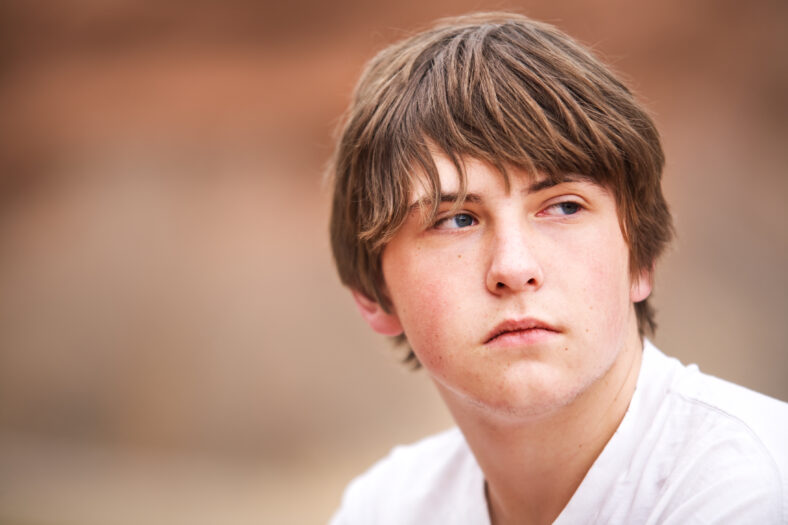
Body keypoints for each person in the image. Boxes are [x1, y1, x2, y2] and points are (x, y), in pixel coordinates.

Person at [326, 12, 788, 524]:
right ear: (374, 296)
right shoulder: (388, 507)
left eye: (564, 207)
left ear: (641, 259)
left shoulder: (747, 487)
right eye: (456, 219)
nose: (514, 268)